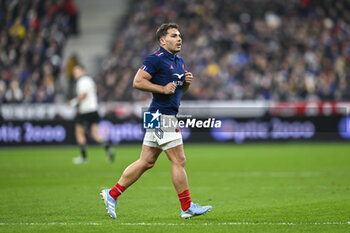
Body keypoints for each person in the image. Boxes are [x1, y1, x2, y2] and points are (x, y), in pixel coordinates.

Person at [100, 23, 212, 219]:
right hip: (162, 116)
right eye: (174, 36)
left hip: (159, 115)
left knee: (146, 161)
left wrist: (185, 85)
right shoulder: (155, 59)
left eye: (180, 35)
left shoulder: (179, 61)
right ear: (163, 40)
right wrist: (161, 89)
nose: (179, 39)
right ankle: (186, 207)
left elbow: (176, 91)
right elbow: (138, 81)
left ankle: (113, 193)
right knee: (179, 160)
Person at [69, 64, 114, 164]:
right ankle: (108, 149)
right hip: (94, 110)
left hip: (86, 111)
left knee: (79, 133)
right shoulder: (89, 80)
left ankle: (84, 157)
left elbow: (83, 95)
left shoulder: (82, 81)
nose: (75, 73)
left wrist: (73, 103)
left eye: (77, 71)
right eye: (74, 72)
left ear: (83, 71)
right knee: (95, 135)